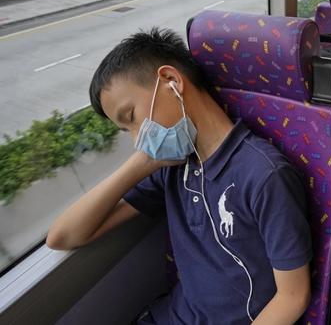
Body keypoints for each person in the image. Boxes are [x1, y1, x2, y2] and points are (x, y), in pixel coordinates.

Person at [46, 29, 312, 325]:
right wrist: (141, 163)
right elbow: (64, 235)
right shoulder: (170, 169)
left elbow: (293, 297)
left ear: (171, 81)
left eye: (131, 117)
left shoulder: (263, 175)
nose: (138, 139)